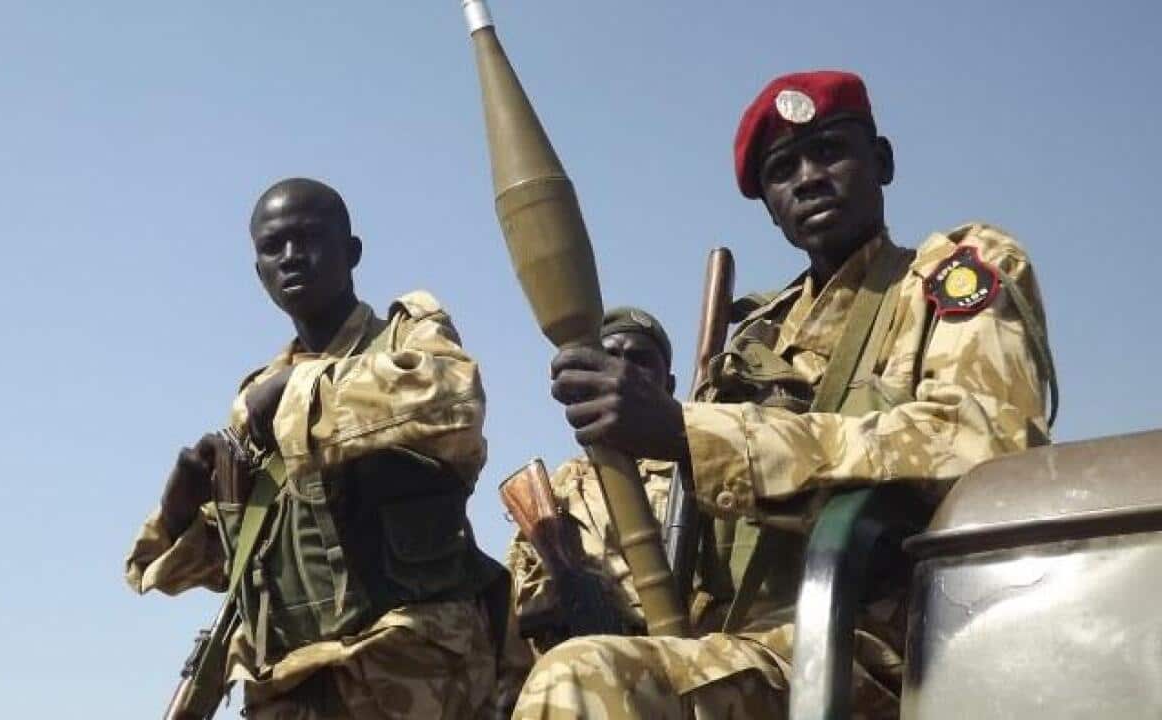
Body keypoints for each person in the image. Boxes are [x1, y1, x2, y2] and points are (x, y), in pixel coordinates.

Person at [513, 70, 1057, 719]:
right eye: (783, 170)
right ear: (770, 206)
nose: (808, 177)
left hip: (890, 651)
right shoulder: (752, 342)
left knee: (582, 682)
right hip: (742, 652)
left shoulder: (951, 274)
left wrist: (692, 433)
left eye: (830, 150)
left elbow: (985, 446)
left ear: (880, 161)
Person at [125, 178, 517, 719]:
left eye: (309, 239)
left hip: (409, 672)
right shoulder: (254, 403)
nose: (291, 258)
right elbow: (234, 566)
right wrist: (178, 510)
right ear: (257, 269)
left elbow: (453, 400)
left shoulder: (406, 340)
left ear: (350, 252)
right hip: (289, 689)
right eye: (272, 247)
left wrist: (296, 389)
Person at [505, 307, 684, 655]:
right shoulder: (559, 488)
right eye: (610, 357)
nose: (621, 370)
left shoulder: (696, 476)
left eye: (640, 360)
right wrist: (567, 586)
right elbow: (516, 602)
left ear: (670, 385)